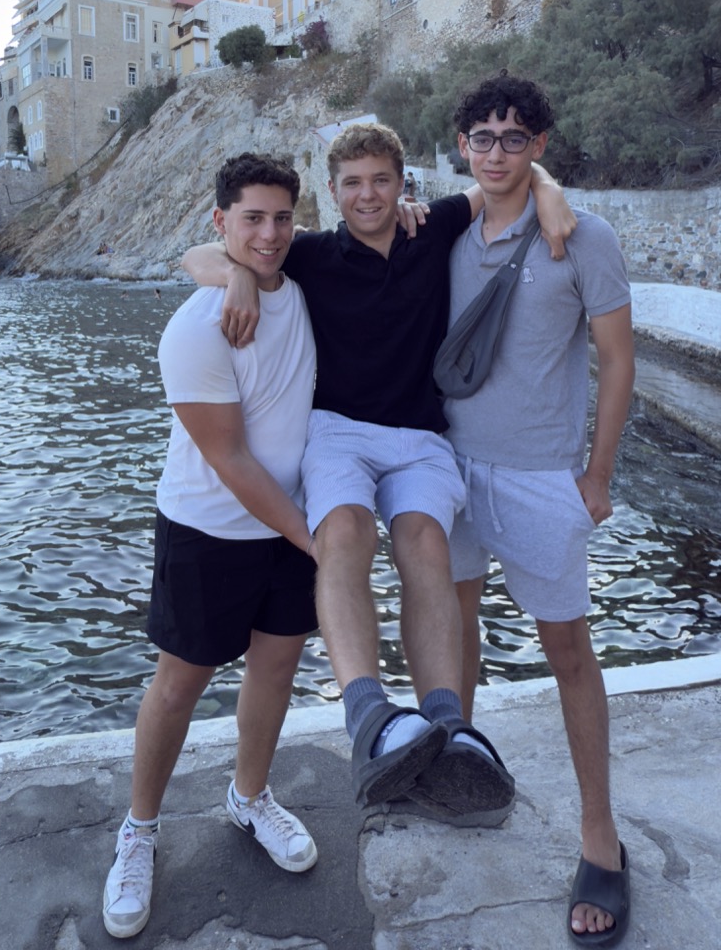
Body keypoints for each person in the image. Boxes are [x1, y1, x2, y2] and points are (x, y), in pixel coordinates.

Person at [183, 122, 575, 822]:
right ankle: (368, 714)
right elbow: (198, 254)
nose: (368, 196)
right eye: (353, 184)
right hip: (338, 430)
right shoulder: (310, 254)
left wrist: (547, 188)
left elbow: (503, 180)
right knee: (343, 532)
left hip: (420, 434)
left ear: (402, 185)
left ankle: (447, 723)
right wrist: (239, 275)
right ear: (332, 192)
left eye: (381, 181)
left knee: (425, 542)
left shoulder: (434, 227)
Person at [102, 153, 319, 940]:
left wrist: (233, 270)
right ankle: (138, 831)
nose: (269, 234)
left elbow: (224, 256)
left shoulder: (303, 281)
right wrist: (317, 541)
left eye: (282, 218)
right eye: (251, 218)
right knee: (178, 686)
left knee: (277, 667)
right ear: (222, 221)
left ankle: (249, 797)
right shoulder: (194, 330)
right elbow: (229, 459)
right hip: (209, 530)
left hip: (289, 526)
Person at [441, 74, 634, 945]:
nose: (496, 152)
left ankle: (601, 836)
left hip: (539, 474)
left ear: (540, 145)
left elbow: (617, 360)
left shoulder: (583, 238)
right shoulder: (442, 227)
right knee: (454, 628)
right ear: (461, 147)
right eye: (482, 137)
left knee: (568, 652)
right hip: (450, 466)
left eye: (514, 137)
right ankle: (460, 767)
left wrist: (597, 474)